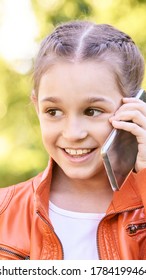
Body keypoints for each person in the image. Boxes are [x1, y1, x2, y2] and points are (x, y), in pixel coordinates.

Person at [0, 20, 146, 260]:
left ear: (134, 109)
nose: (72, 133)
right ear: (37, 107)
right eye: (53, 112)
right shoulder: (5, 211)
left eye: (92, 111)